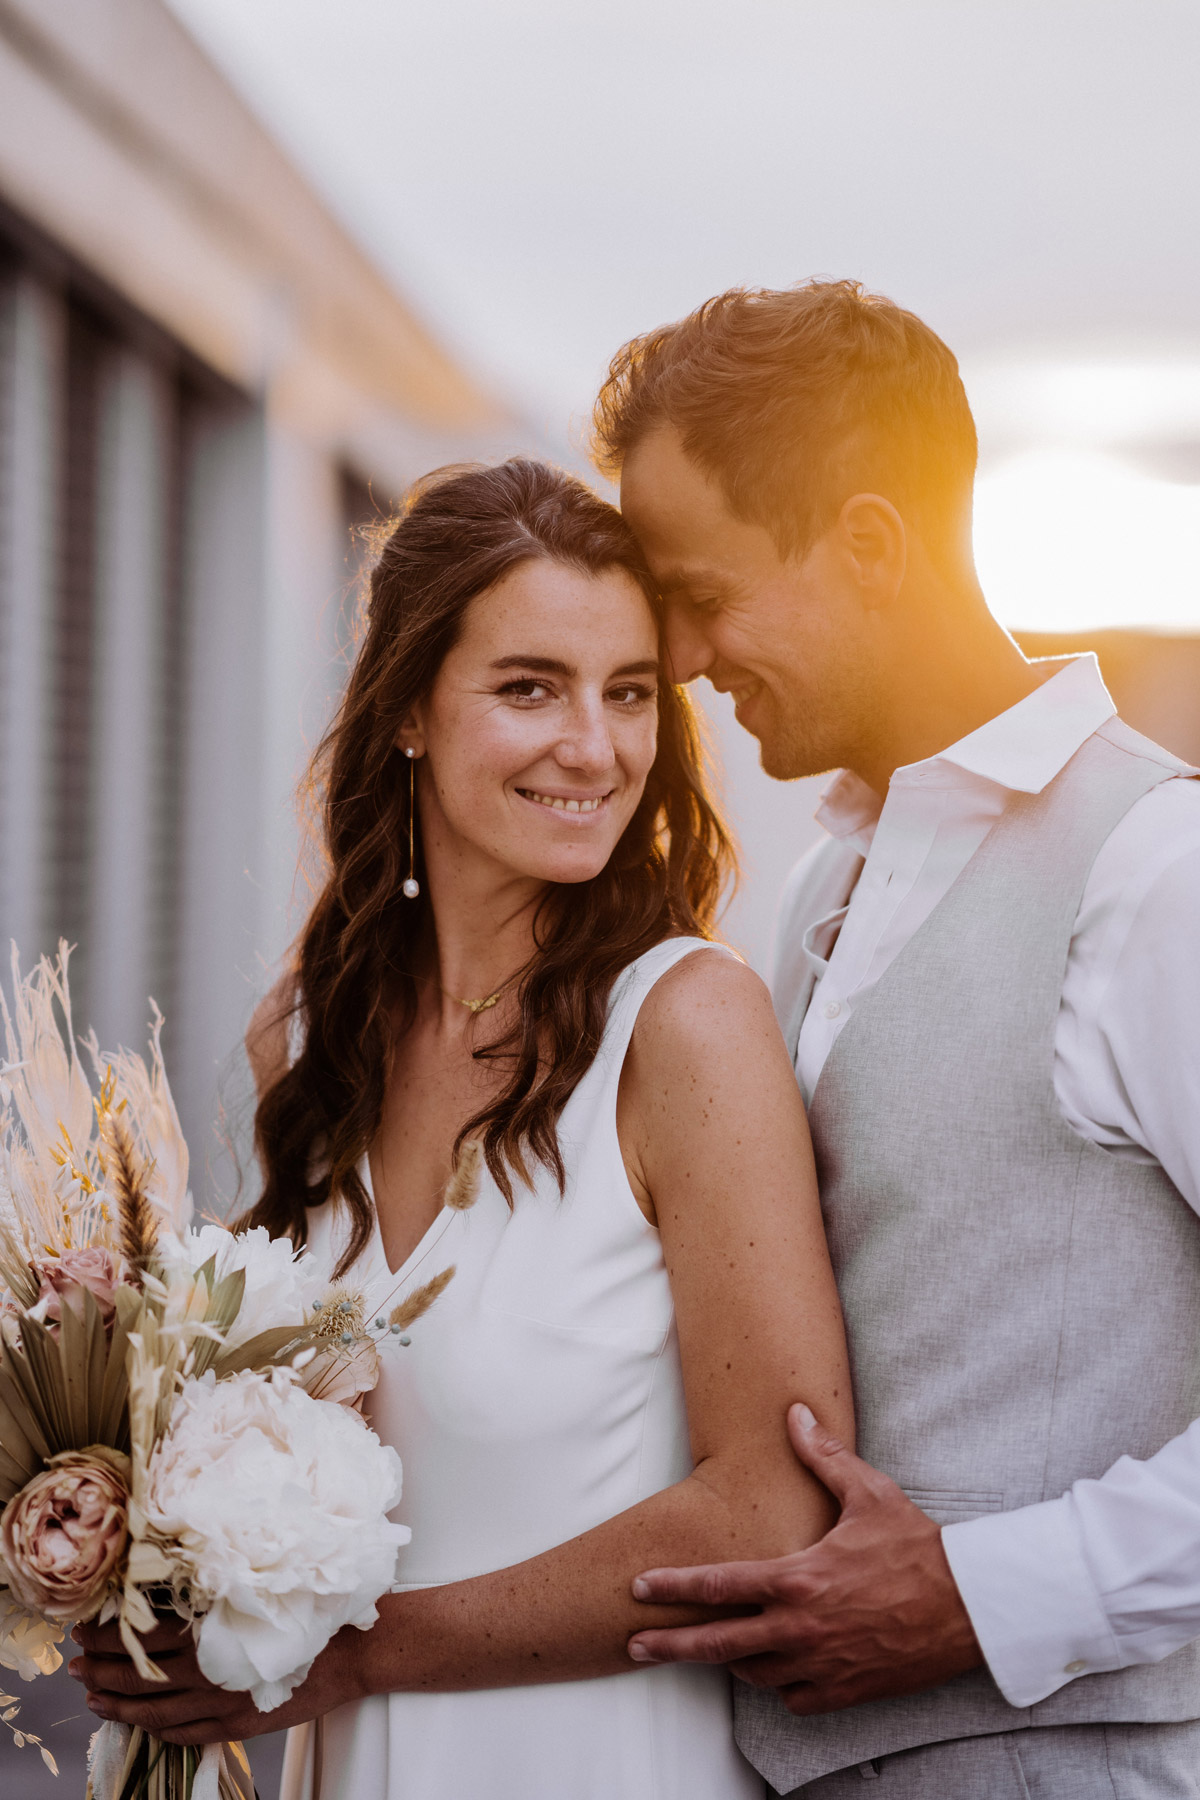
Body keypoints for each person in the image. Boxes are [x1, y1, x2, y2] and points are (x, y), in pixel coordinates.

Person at [71, 458, 853, 1800]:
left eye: (628, 695)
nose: (595, 750)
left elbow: (775, 1508)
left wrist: (371, 1656)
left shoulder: (684, 1025)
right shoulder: (309, 1043)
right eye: (529, 687)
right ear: (412, 713)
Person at [596, 279, 1200, 1798]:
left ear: (867, 543)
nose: (676, 657)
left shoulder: (1159, 867)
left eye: (701, 591)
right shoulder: (816, 885)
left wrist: (994, 1593)